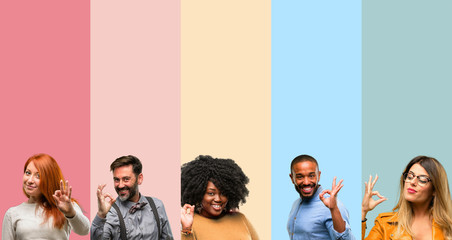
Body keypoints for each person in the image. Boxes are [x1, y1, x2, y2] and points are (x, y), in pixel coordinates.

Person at [2, 153, 90, 240]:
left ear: (49, 179)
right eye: (28, 173)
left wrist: (70, 212)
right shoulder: (12, 214)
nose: (30, 180)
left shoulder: (65, 206)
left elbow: (84, 230)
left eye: (38, 176)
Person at [362, 155, 452, 240]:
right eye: (409, 176)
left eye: (422, 180)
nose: (412, 182)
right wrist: (363, 211)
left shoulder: (448, 227)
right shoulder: (385, 225)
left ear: (435, 190)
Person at [91, 155, 173, 240]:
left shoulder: (157, 206)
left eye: (126, 179)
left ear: (139, 179)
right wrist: (101, 215)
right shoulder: (110, 213)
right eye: (116, 180)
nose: (120, 185)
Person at [180, 155, 259, 240]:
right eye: (211, 193)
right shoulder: (190, 223)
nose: (218, 199)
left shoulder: (241, 219)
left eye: (223, 193)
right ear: (199, 193)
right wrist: (186, 230)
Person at [287, 154, 355, 240]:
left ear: (318, 175)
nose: (306, 182)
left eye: (311, 176)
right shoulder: (296, 204)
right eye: (300, 177)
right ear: (292, 178)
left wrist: (333, 209)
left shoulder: (333, 205)